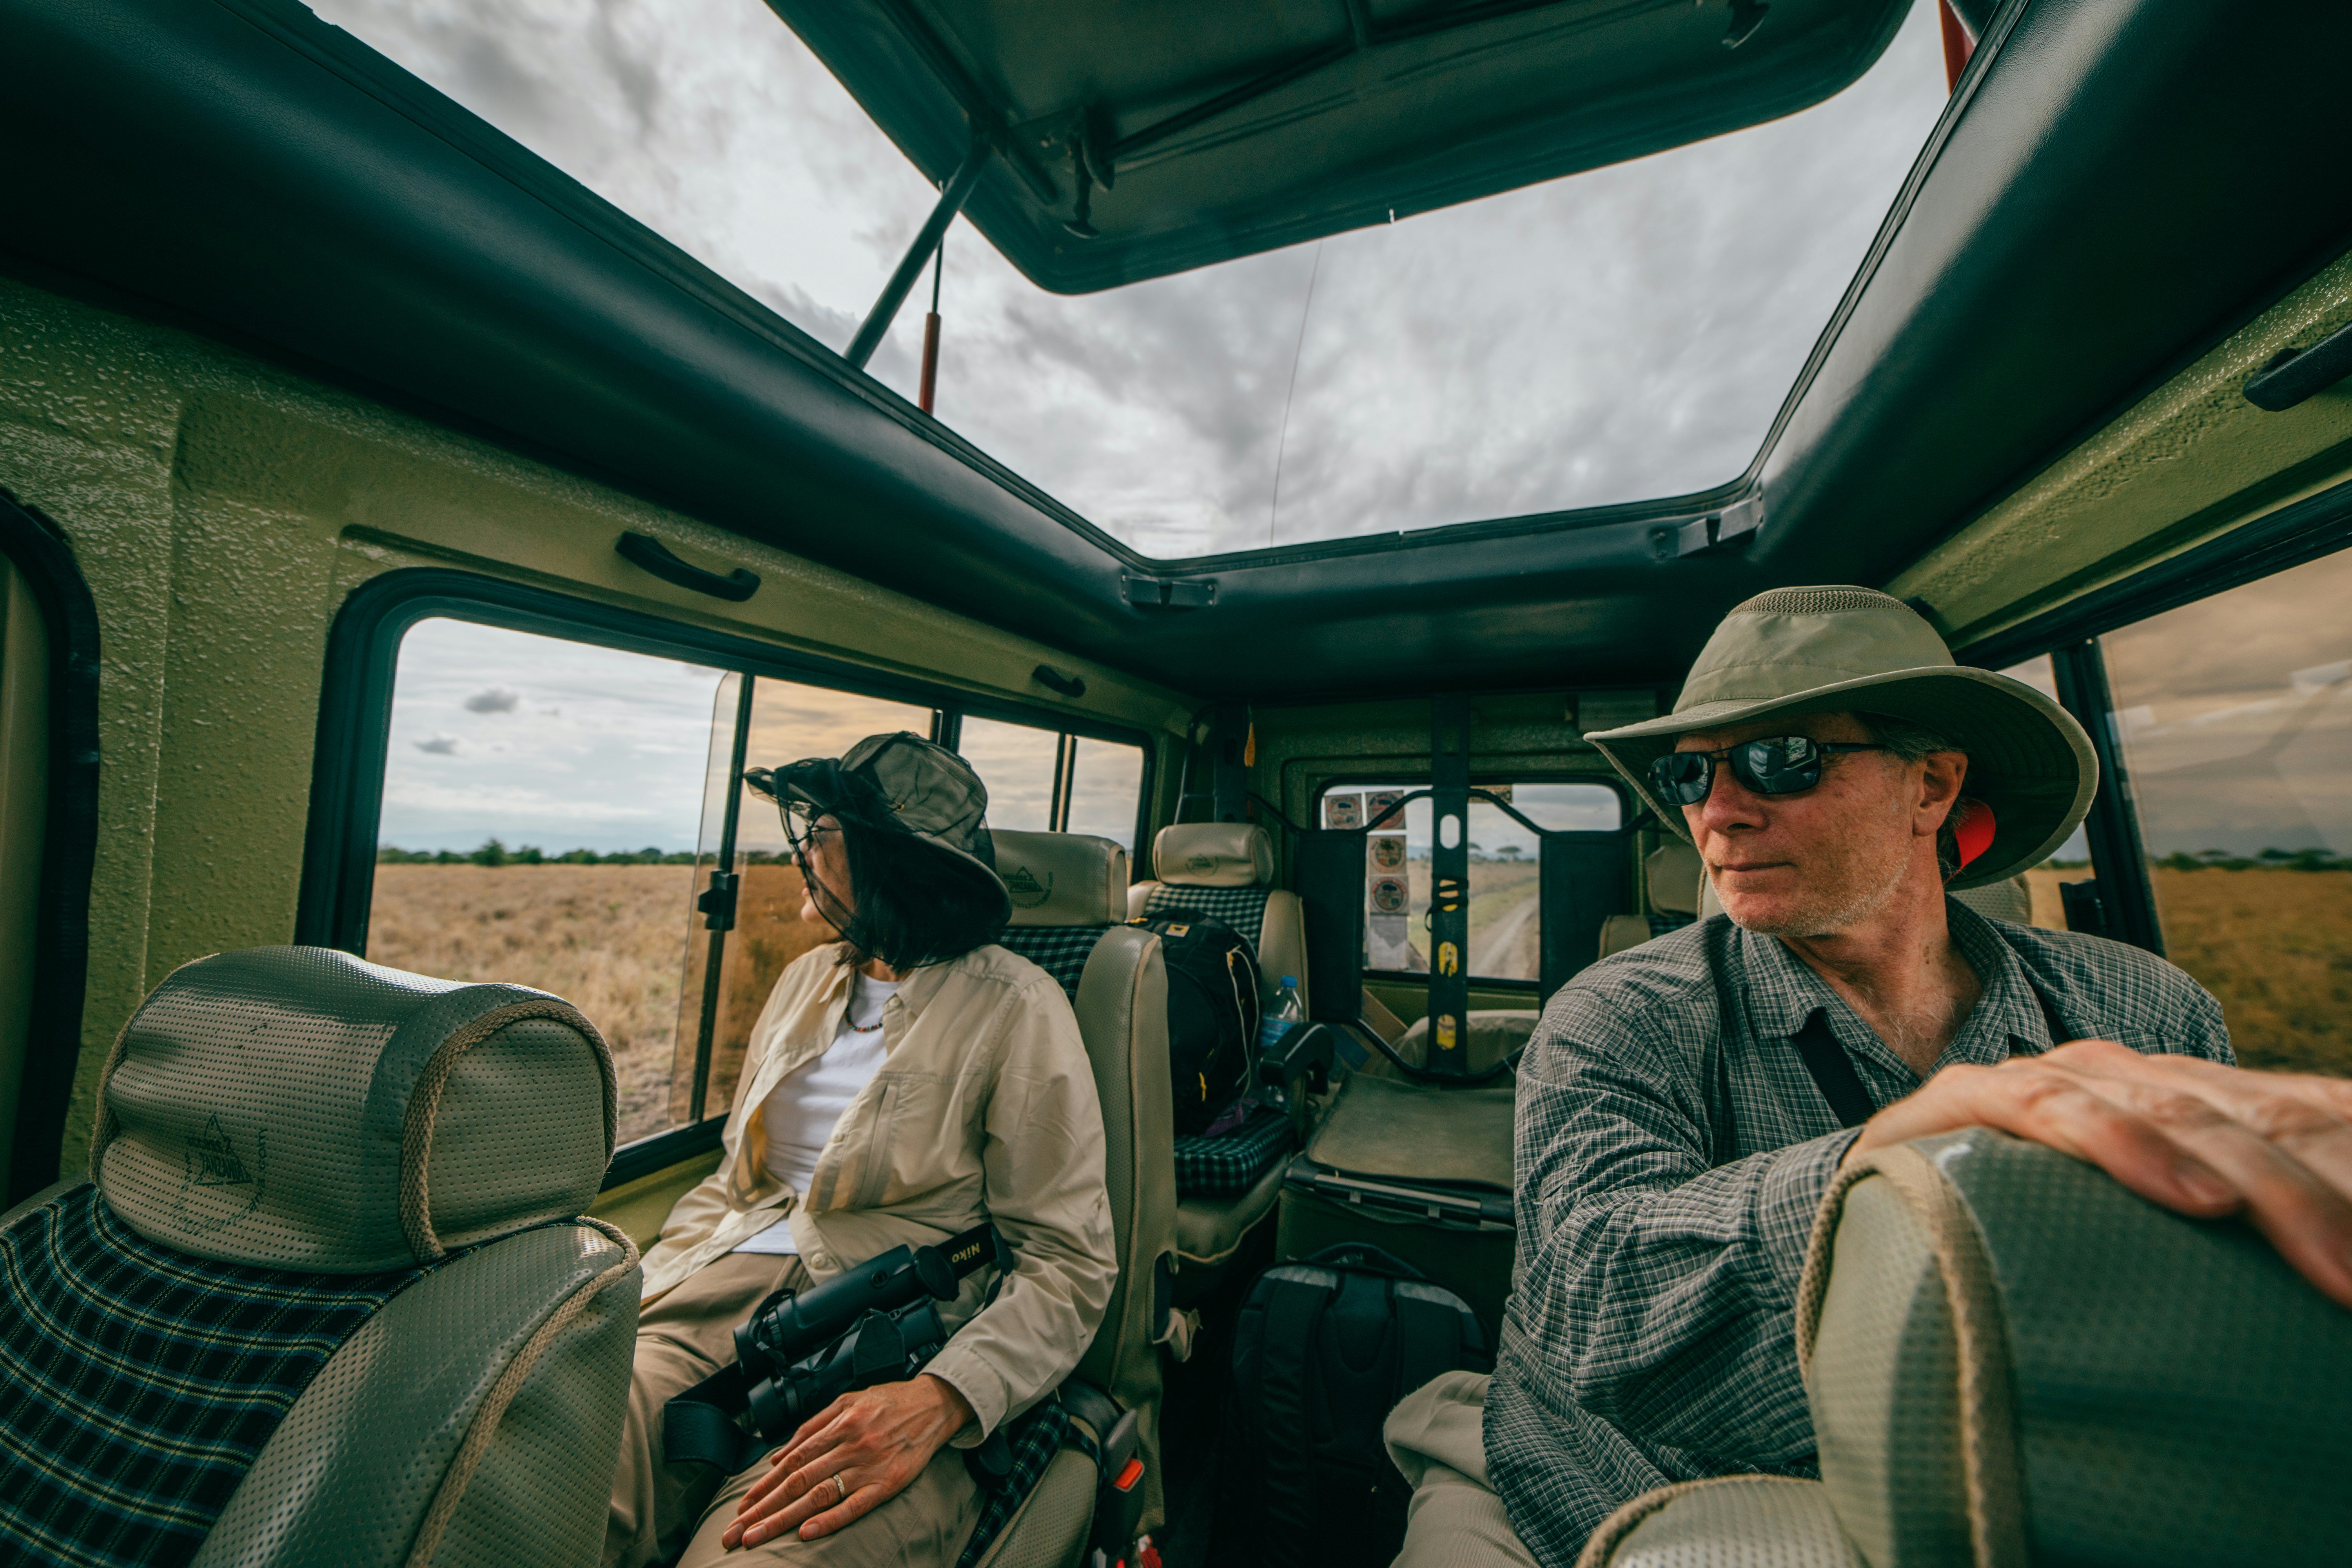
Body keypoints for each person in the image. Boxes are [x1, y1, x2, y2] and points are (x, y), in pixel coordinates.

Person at [1384, 587, 2352, 1568]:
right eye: (1691, 772)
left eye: (1781, 760)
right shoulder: (1619, 1012)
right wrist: (1894, 1170)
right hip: (1628, 1494)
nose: (1718, 812)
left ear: (1931, 786)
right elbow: (1591, 1295)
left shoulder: (2143, 1012)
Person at [606, 732, 1116, 1568]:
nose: (804, 847)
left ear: (891, 863)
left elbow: (1068, 1262)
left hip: (892, 1338)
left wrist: (944, 1396)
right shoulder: (805, 982)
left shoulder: (1020, 1007)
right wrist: (639, 1287)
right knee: (545, 1475)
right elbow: (735, 1180)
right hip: (721, 1293)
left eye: (827, 831)